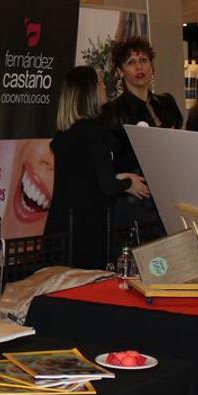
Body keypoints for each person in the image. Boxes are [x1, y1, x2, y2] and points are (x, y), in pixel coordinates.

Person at [46, 66, 147, 268]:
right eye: (100, 82)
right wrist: (128, 183)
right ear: (89, 92)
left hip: (61, 228)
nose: (104, 87)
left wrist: (118, 178)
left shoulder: (67, 133)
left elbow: (85, 178)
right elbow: (106, 186)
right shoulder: (93, 133)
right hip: (85, 232)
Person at [101, 36, 181, 240]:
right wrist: (124, 181)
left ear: (152, 66)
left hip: (167, 196)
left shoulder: (167, 103)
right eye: (130, 62)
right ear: (120, 71)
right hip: (135, 200)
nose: (139, 67)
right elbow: (105, 162)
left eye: (144, 60)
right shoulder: (112, 112)